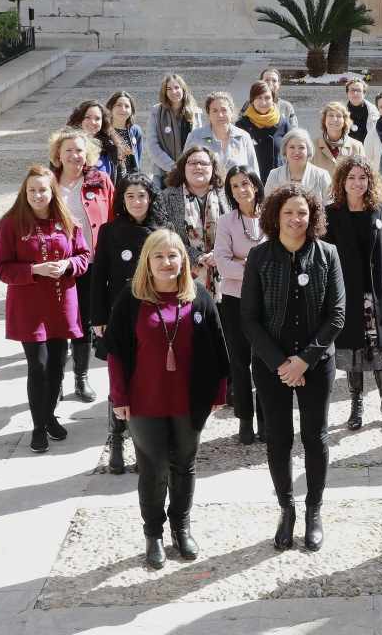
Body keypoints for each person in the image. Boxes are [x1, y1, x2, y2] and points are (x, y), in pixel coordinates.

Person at [105, 229, 229, 569]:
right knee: (153, 467)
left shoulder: (198, 296)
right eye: (159, 256)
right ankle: (153, 534)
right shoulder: (131, 299)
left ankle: (181, 527)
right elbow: (115, 352)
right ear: (148, 260)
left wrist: (219, 391)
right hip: (145, 400)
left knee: (184, 465)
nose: (166, 262)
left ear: (183, 261)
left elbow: (218, 348)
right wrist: (119, 397)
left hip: (189, 400)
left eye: (173, 256)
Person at [240, 185, 345, 552]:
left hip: (316, 363)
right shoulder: (259, 256)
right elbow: (249, 320)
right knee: (279, 438)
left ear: (312, 216)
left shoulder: (327, 254)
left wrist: (305, 360)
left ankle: (314, 510)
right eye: (288, 213)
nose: (296, 220)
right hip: (272, 366)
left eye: (302, 213)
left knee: (316, 437)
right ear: (275, 216)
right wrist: (282, 363)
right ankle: (287, 509)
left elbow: (337, 315)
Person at [0, 165, 90, 454]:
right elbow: (3, 269)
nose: (38, 195)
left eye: (43, 190)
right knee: (37, 366)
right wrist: (34, 269)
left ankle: (49, 416)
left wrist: (68, 265)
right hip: (29, 306)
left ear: (53, 192)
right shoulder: (11, 224)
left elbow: (84, 256)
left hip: (62, 303)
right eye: (32, 190)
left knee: (58, 365)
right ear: (25, 192)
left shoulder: (68, 221)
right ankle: (38, 426)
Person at [89, 172, 167, 474]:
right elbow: (99, 277)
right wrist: (98, 317)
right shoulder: (110, 231)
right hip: (118, 317)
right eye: (130, 196)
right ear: (122, 199)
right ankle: (117, 438)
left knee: (147, 382)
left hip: (153, 317)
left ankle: (141, 443)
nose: (137, 201)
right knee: (119, 379)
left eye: (142, 196)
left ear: (151, 199)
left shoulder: (162, 229)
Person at [324, 155, 382, 430]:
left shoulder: (380, 209)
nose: (357, 183)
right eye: (351, 178)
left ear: (370, 180)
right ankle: (356, 405)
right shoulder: (331, 212)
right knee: (353, 353)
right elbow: (325, 257)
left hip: (377, 293)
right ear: (342, 182)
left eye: (362, 177)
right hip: (347, 294)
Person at [50, 127, 116, 403]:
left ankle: (81, 377)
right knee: (56, 323)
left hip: (91, 263)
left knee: (84, 321)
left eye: (79, 150)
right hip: (57, 265)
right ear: (58, 155)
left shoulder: (99, 180)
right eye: (69, 151)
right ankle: (54, 381)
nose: (75, 156)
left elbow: (113, 215)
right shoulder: (47, 182)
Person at [213, 166, 269, 445]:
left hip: (268, 299)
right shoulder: (226, 221)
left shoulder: (272, 215)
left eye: (245, 184)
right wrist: (253, 269)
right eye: (234, 186)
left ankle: (265, 417)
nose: (240, 190)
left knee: (265, 359)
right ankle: (245, 419)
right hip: (234, 299)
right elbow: (221, 263)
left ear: (256, 185)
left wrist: (246, 265)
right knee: (239, 360)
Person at [161, 146, 228, 296]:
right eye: (192, 163)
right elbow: (166, 237)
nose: (198, 167)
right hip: (183, 276)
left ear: (213, 168)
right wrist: (197, 256)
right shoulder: (167, 197)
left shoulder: (226, 196)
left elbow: (234, 233)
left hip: (224, 277)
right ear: (183, 167)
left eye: (204, 163)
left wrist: (217, 254)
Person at [144, 73, 202, 182]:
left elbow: (197, 142)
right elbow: (152, 145)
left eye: (176, 87)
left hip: (189, 171)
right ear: (165, 92)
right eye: (169, 89)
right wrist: (173, 167)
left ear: (183, 89)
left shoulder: (195, 112)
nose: (173, 92)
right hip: (163, 174)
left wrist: (187, 166)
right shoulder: (156, 112)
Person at [187, 91, 259, 176]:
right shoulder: (195, 137)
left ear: (231, 112)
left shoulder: (244, 137)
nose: (220, 115)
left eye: (224, 110)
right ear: (208, 114)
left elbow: (253, 171)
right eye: (215, 111)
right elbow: (185, 169)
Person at [265, 128, 332, 204]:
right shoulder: (274, 175)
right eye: (292, 147)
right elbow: (267, 207)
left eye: (301, 147)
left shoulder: (322, 175)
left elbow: (330, 207)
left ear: (308, 151)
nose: (296, 152)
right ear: (285, 150)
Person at [237, 81, 290, 176]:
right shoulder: (242, 125)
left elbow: (291, 154)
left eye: (267, 98)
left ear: (273, 99)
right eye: (259, 98)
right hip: (252, 182)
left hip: (279, 181)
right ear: (252, 100)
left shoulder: (283, 123)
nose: (263, 102)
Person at [313, 101, 366, 176]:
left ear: (345, 121)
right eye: (331, 115)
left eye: (339, 116)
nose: (334, 119)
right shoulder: (312, 146)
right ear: (324, 120)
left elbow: (363, 175)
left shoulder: (357, 147)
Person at [67, 99, 117, 177]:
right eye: (87, 117)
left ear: (103, 122)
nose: (93, 122)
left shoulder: (110, 147)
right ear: (79, 119)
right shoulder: (65, 145)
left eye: (97, 119)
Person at [105, 91, 145, 180]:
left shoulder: (135, 130)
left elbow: (138, 157)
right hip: (111, 181)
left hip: (130, 182)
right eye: (118, 105)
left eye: (127, 106)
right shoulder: (104, 131)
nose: (123, 109)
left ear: (131, 111)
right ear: (111, 108)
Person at [344, 79, 375, 145]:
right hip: (347, 150)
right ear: (347, 93)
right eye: (352, 90)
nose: (355, 93)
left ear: (364, 93)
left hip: (367, 150)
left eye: (358, 90)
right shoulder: (340, 111)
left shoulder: (374, 111)